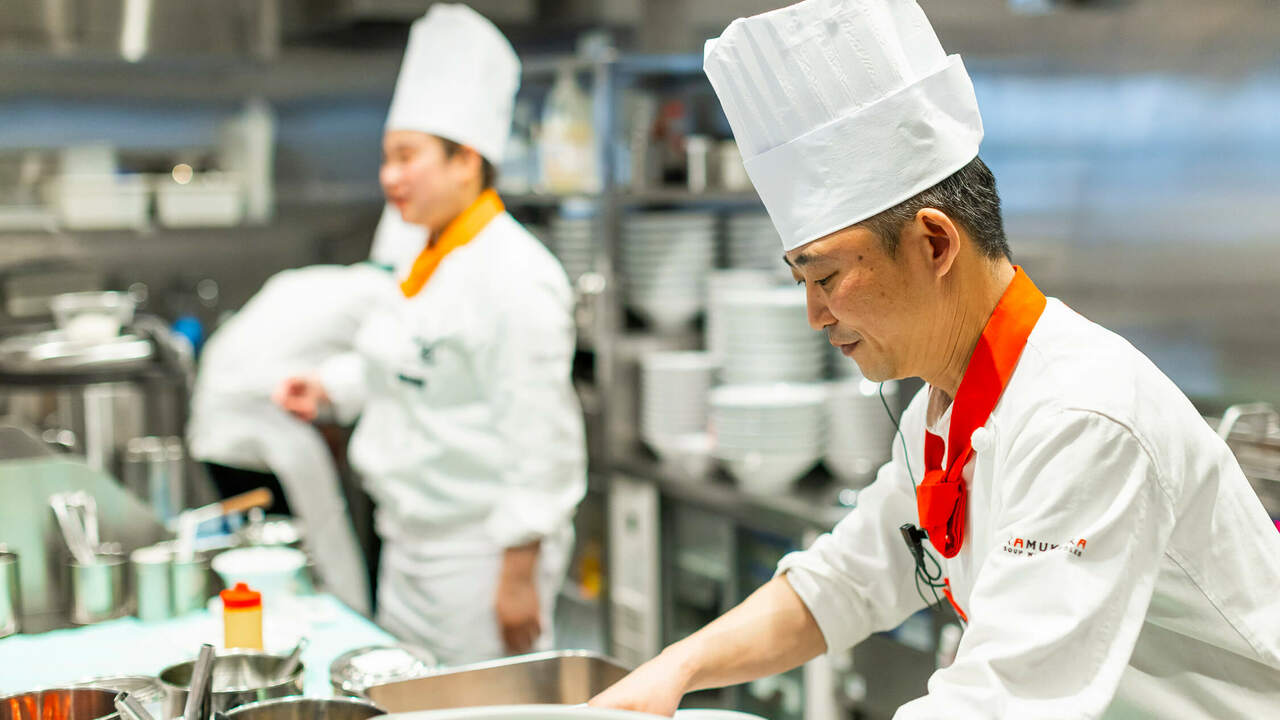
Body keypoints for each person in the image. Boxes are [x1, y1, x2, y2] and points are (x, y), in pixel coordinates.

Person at [590, 1, 1280, 717]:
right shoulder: (948, 408)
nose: (815, 316)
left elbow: (997, 703)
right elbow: (846, 581)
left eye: (825, 278)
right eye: (802, 284)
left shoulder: (1083, 419)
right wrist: (674, 670)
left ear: (935, 243)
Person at [275, 3, 586, 665]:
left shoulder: (517, 276)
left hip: (479, 558)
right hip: (408, 546)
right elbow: (415, 362)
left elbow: (542, 440)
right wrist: (330, 387)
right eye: (387, 157)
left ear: (465, 161)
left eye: (406, 157)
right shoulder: (427, 253)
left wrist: (518, 577)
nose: (390, 176)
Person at [188, 263, 388, 615]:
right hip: (268, 416)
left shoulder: (310, 281)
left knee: (251, 550)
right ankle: (343, 630)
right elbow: (378, 373)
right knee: (320, 549)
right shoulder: (391, 301)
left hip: (214, 421)